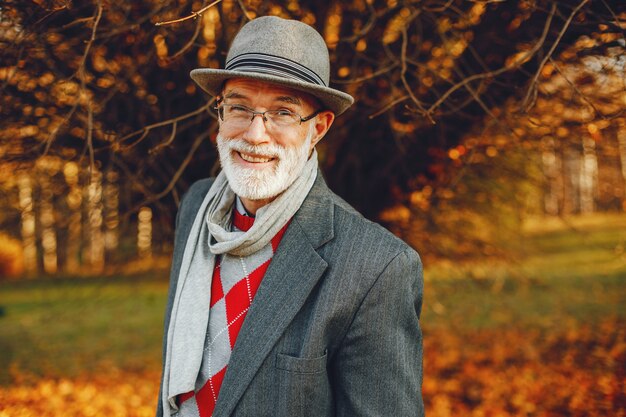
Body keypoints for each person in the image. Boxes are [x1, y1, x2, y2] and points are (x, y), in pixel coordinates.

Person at [157, 15, 424, 417]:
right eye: (239, 108)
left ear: (317, 128)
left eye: (282, 112)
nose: (254, 134)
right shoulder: (196, 209)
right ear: (220, 112)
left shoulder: (376, 267)